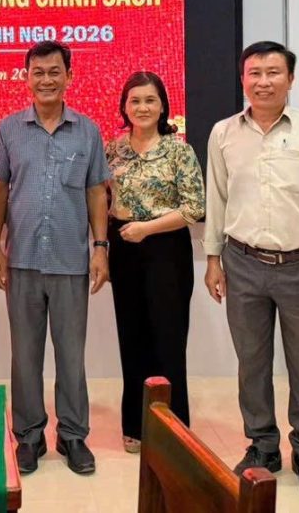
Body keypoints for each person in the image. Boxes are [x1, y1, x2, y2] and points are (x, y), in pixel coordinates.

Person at [203, 41, 299, 505]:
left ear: (290, 79)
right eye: (254, 73)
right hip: (242, 263)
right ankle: (263, 445)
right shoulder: (223, 133)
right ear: (243, 79)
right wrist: (212, 258)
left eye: (273, 72)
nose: (263, 81)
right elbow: (217, 198)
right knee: (251, 363)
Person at [0, 41, 109, 476]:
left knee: (71, 354)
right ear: (26, 78)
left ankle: (72, 435)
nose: (46, 80)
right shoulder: (8, 130)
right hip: (21, 259)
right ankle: (29, 436)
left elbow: (97, 191)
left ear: (69, 76)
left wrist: (100, 248)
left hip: (71, 259)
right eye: (38, 72)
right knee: (25, 355)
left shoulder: (88, 131)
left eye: (55, 71)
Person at [105, 71, 204, 454]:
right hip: (124, 249)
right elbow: (101, 199)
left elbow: (194, 208)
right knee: (132, 339)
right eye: (135, 100)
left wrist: (146, 229)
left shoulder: (179, 151)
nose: (142, 107)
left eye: (150, 100)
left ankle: (173, 430)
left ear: (163, 106)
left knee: (168, 341)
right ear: (124, 107)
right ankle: (135, 423)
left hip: (166, 250)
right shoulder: (113, 150)